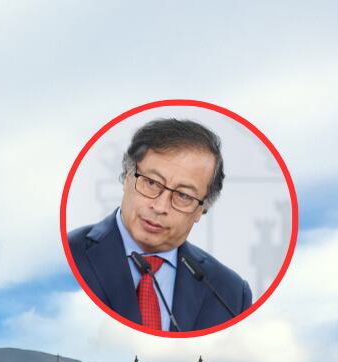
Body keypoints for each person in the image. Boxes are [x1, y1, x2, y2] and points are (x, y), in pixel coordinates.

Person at [67, 118, 251, 333]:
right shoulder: (70, 253)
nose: (160, 206)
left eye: (183, 195)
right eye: (151, 183)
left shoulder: (230, 294)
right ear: (127, 176)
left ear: (201, 209)